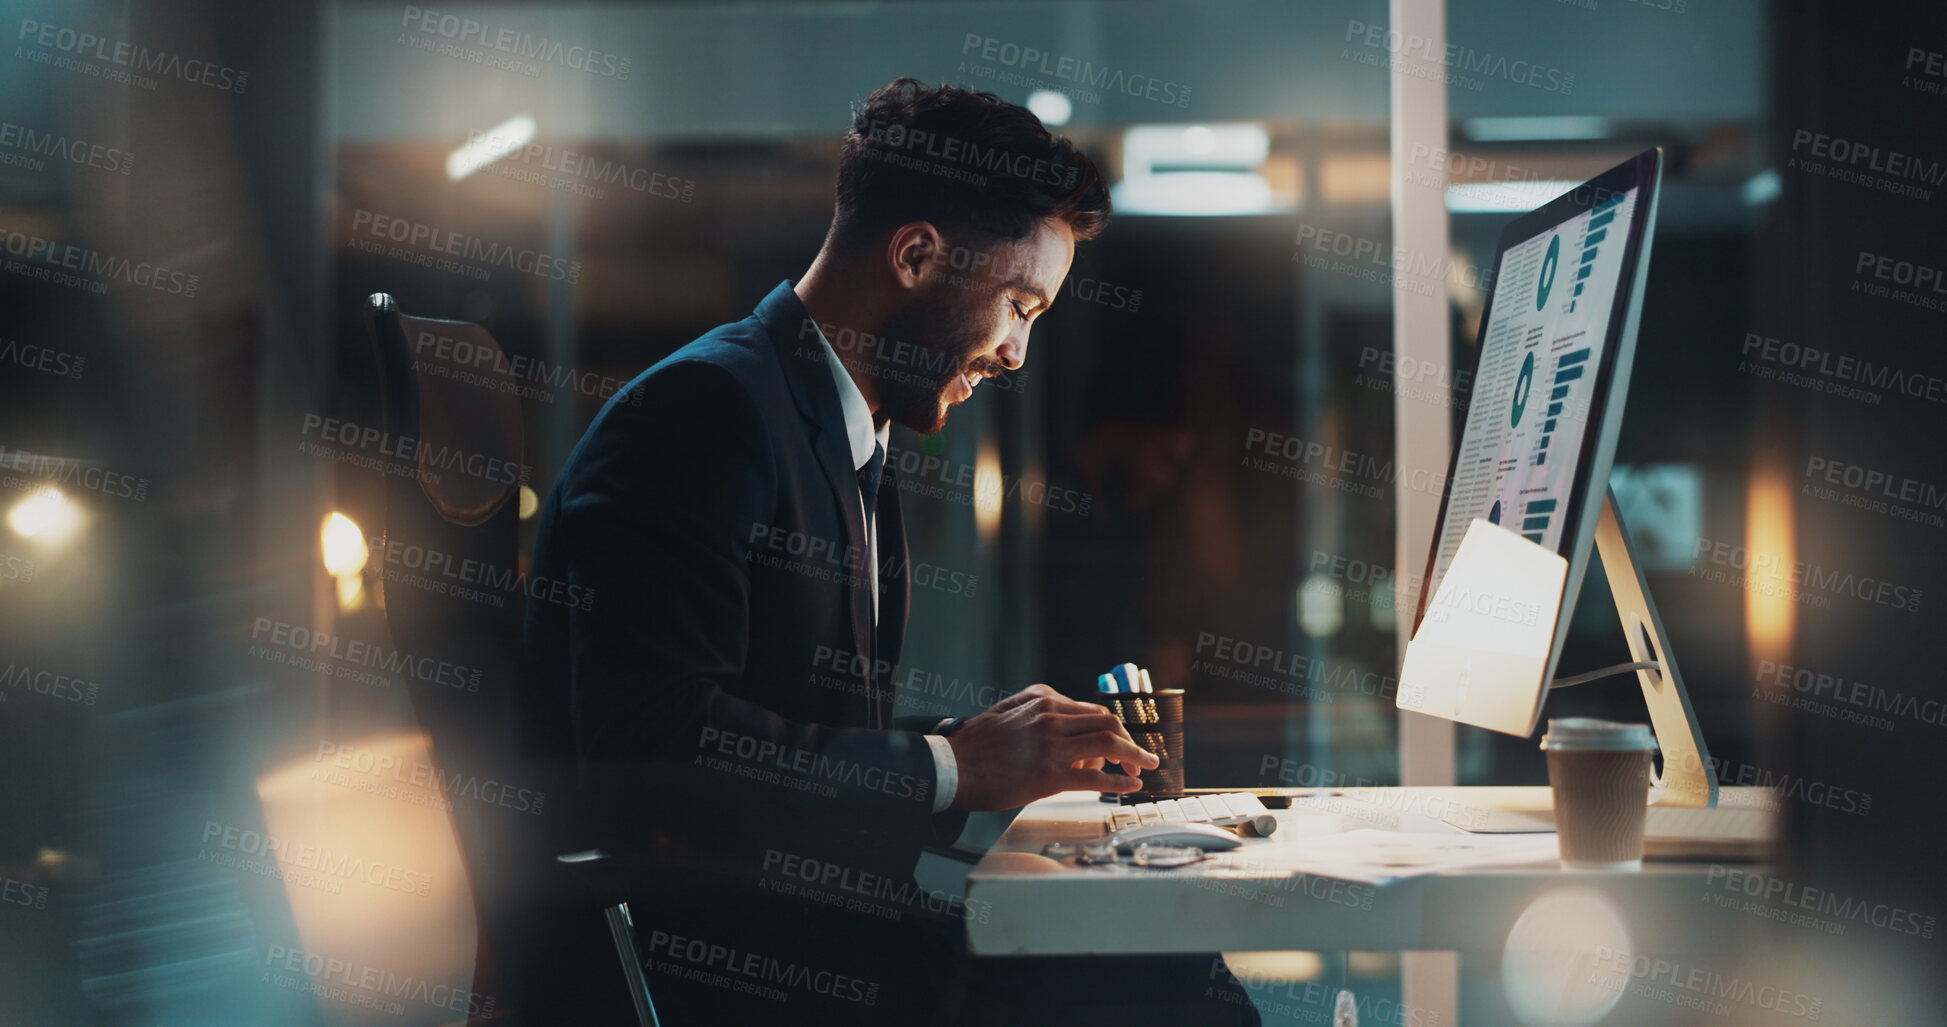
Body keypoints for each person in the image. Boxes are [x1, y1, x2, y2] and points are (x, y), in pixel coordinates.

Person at [522, 77, 1258, 1025]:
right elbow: (657, 750)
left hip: (813, 929)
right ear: (915, 254)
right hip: (733, 964)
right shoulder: (702, 414)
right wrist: (952, 767)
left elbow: (784, 713)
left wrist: (979, 748)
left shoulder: (834, 428)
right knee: (1165, 977)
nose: (1017, 354)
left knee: (1154, 949)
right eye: (1020, 304)